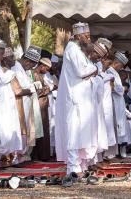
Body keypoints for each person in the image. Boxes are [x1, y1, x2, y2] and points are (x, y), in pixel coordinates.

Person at [55, 22, 99, 179]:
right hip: (74, 97)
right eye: (86, 36)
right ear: (78, 36)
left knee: (82, 131)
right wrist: (95, 69)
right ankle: (73, 167)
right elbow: (81, 72)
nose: (88, 38)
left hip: (82, 96)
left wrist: (92, 71)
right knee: (74, 131)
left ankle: (81, 164)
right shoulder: (72, 49)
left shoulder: (78, 50)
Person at [0, 42, 21, 166]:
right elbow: (1, 79)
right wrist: (11, 73)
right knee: (1, 128)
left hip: (6, 100)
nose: (2, 56)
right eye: (0, 53)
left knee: (8, 126)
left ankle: (6, 156)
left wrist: (7, 71)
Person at [32, 57, 53, 161]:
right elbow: (37, 92)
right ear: (42, 66)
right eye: (47, 68)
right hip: (39, 105)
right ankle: (40, 156)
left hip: (43, 105)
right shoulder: (35, 74)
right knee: (40, 130)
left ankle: (42, 155)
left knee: (44, 130)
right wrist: (48, 89)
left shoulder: (39, 75)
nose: (47, 71)